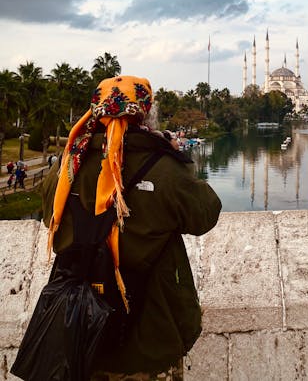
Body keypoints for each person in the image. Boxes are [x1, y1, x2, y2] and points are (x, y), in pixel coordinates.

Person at [41, 75, 221, 381]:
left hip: (77, 331)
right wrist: (178, 156)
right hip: (147, 336)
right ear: (147, 114)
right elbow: (204, 214)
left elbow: (50, 218)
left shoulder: (67, 166)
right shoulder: (163, 167)